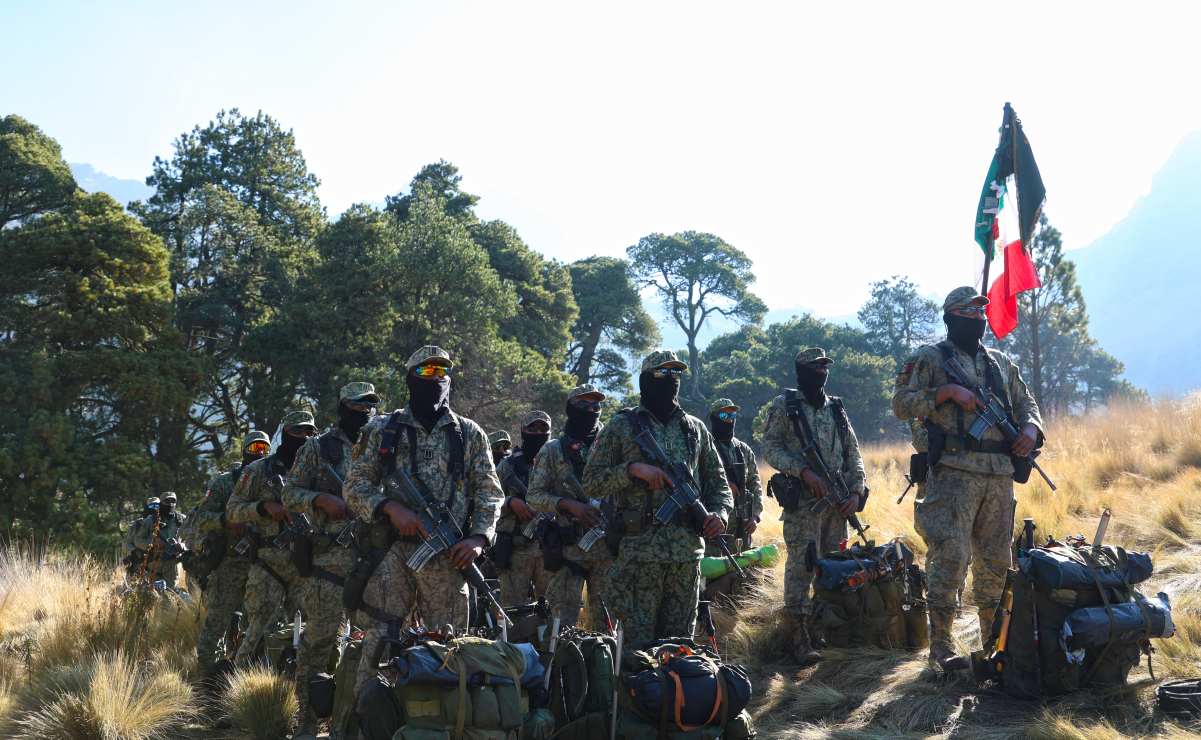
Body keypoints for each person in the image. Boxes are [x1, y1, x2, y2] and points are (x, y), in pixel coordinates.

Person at [892, 286, 1043, 670]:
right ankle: (941, 647)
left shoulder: (1000, 364)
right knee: (950, 558)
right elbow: (900, 404)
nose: (976, 320)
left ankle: (993, 643)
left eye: (981, 314)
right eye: (968, 314)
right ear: (951, 317)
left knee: (995, 563)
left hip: (998, 476)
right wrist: (945, 392)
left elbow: (1028, 404)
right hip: (953, 476)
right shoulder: (929, 358)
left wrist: (1030, 430)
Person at [343, 346, 503, 694]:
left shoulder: (469, 433)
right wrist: (389, 507)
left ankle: (443, 723)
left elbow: (491, 493)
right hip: (394, 554)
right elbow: (354, 486)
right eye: (426, 373)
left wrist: (478, 539)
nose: (435, 380)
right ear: (411, 379)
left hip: (448, 559)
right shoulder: (383, 430)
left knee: (450, 650)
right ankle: (365, 720)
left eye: (441, 373)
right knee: (380, 643)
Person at [581, 351, 732, 646]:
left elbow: (718, 484)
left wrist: (720, 515)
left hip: (686, 557)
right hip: (639, 556)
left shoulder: (694, 429)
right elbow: (592, 482)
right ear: (646, 380)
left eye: (676, 374)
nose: (671, 380)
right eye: (663, 374)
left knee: (679, 649)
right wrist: (632, 470)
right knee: (634, 650)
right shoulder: (622, 426)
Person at [284, 382, 379, 740]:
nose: (365, 412)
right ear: (343, 407)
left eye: (371, 405)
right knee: (319, 645)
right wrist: (321, 500)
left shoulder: (386, 443)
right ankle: (307, 723)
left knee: (371, 644)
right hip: (330, 562)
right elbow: (290, 493)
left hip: (375, 558)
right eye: (358, 406)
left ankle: (352, 724)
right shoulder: (317, 447)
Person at [761, 348, 867, 666]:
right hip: (803, 505)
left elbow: (853, 451)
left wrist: (857, 490)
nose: (821, 372)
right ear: (801, 371)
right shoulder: (785, 406)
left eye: (825, 367)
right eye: (815, 367)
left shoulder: (836, 408)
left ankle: (829, 630)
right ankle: (798, 637)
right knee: (801, 568)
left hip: (837, 505)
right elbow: (770, 447)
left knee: (834, 567)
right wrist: (801, 470)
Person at [225, 410, 319, 665]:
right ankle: (237, 685)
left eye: (310, 431)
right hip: (269, 562)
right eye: (297, 431)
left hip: (308, 562)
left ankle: (290, 689)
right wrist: (263, 509)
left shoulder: (320, 471)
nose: (304, 436)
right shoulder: (259, 470)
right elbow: (232, 511)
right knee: (256, 629)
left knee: (307, 631)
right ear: (285, 433)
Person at [528, 384, 611, 629]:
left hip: (609, 549)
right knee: (559, 626)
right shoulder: (553, 450)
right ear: (570, 409)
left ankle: (605, 666)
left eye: (596, 405)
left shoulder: (614, 445)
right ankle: (560, 668)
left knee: (608, 625)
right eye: (583, 405)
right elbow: (534, 495)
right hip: (568, 551)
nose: (591, 410)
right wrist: (567, 505)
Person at [192, 430, 271, 678]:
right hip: (229, 563)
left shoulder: (274, 481)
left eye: (264, 449)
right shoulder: (225, 483)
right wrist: (227, 521)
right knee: (216, 624)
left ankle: (247, 682)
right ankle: (207, 684)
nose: (259, 454)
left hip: (266, 565)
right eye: (254, 448)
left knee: (263, 626)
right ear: (244, 450)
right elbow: (201, 519)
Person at [703, 398, 763, 602]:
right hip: (715, 527)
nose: (729, 420)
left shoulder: (744, 450)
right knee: (712, 576)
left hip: (743, 528)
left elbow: (755, 484)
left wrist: (755, 516)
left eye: (732, 415)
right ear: (713, 418)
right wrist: (722, 485)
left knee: (741, 573)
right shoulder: (705, 447)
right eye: (723, 415)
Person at [493, 410, 552, 605]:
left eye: (543, 428)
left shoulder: (558, 464)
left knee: (551, 610)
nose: (537, 432)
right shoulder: (507, 466)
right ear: (522, 431)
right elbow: (488, 499)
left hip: (550, 547)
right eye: (532, 428)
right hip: (516, 550)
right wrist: (510, 502)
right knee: (512, 609)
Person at [129, 491, 188, 588]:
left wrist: (183, 545)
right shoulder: (151, 520)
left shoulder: (182, 519)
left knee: (171, 593)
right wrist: (152, 544)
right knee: (153, 593)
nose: (170, 504)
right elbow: (138, 540)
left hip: (172, 563)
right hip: (154, 562)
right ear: (161, 503)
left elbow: (192, 537)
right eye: (167, 501)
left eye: (173, 501)